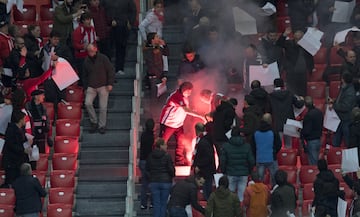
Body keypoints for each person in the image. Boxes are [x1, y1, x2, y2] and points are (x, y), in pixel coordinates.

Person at [159, 81, 205, 166]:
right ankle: (159, 160)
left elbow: (186, 108)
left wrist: (194, 111)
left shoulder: (184, 97)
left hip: (178, 124)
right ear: (184, 89)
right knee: (162, 141)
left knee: (180, 142)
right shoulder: (176, 96)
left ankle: (179, 160)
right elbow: (186, 110)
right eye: (189, 91)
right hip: (168, 123)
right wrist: (200, 116)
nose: (190, 93)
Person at [83, 43, 115, 134]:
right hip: (91, 86)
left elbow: (110, 70)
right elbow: (84, 75)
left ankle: (102, 125)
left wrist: (110, 83)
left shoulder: (103, 58)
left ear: (96, 49)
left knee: (103, 107)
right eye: (89, 51)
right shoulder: (86, 61)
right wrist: (85, 87)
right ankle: (94, 122)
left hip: (103, 85)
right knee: (87, 103)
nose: (90, 53)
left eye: (92, 51)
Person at [220, 126, 255, 202]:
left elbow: (223, 160)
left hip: (230, 173)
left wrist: (223, 171)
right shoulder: (247, 146)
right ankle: (240, 212)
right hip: (243, 173)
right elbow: (251, 161)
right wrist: (249, 171)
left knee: (230, 196)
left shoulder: (226, 146)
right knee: (241, 197)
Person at [277, 27, 314, 96]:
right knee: (291, 93)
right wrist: (284, 34)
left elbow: (310, 57)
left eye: (300, 37)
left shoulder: (307, 45)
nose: (298, 39)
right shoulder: (289, 43)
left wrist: (311, 68)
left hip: (303, 73)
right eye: (297, 37)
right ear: (294, 36)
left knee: (302, 93)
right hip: (291, 73)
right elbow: (279, 44)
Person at [102, 0, 136, 75]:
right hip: (108, 28)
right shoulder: (106, 1)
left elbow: (133, 10)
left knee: (121, 48)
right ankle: (108, 69)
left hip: (122, 27)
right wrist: (110, 21)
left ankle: (119, 68)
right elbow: (102, 11)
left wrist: (130, 22)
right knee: (108, 49)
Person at [269, 78, 304, 148]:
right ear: (283, 84)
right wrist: (302, 100)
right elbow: (299, 105)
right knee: (289, 145)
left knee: (278, 146)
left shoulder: (270, 96)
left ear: (274, 85)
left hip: (277, 122)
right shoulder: (289, 93)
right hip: (289, 122)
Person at [40, 30, 72, 106]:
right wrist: (42, 60)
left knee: (61, 98)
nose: (56, 41)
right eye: (55, 39)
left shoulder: (64, 48)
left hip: (60, 76)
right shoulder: (45, 49)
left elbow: (70, 59)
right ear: (50, 39)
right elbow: (39, 62)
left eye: (58, 39)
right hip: (48, 77)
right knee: (50, 98)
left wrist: (58, 58)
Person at [146, 138, 175, 217]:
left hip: (154, 182)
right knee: (163, 203)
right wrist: (172, 176)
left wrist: (151, 178)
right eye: (165, 145)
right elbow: (171, 169)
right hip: (166, 182)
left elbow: (147, 169)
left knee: (156, 204)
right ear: (161, 146)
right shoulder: (167, 156)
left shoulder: (150, 155)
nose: (167, 146)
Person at [2, 110, 31, 187]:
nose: (25, 120)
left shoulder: (21, 130)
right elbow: (12, 145)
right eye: (24, 119)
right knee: (11, 182)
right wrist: (23, 150)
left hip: (18, 161)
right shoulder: (11, 130)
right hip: (11, 162)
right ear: (20, 120)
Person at [328, 72, 356, 147]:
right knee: (335, 141)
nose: (341, 80)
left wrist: (334, 105)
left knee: (348, 141)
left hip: (346, 120)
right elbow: (340, 100)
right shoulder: (343, 88)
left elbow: (345, 107)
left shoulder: (350, 92)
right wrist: (334, 101)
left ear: (344, 79)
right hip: (339, 119)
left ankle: (350, 157)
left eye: (342, 78)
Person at [254, 113, 281, 185]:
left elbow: (252, 145)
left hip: (260, 158)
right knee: (275, 179)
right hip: (271, 157)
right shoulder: (273, 131)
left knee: (259, 180)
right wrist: (274, 152)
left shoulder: (256, 131)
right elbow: (279, 144)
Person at [192, 122, 216, 200]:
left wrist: (198, 165)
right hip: (207, 169)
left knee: (207, 190)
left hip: (206, 170)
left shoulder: (203, 142)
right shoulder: (206, 139)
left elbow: (207, 157)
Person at [72, 12, 97, 86]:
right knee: (83, 75)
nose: (89, 21)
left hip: (91, 56)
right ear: (83, 21)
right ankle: (83, 91)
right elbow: (75, 44)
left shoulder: (92, 29)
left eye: (90, 19)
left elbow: (94, 42)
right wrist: (84, 47)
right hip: (81, 57)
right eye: (87, 19)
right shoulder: (78, 30)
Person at [25, 89, 51, 155]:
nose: (43, 97)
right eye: (42, 95)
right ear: (36, 97)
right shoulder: (28, 106)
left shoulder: (43, 108)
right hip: (31, 133)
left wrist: (46, 127)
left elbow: (46, 119)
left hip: (41, 132)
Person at [301, 96, 323, 165]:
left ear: (305, 105)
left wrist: (300, 130)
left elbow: (307, 131)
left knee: (313, 164)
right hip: (318, 140)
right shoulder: (319, 112)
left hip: (311, 141)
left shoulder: (308, 115)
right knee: (316, 161)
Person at [139, 118, 155, 209]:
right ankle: (152, 202)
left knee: (144, 184)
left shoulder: (143, 135)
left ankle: (143, 203)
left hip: (142, 160)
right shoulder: (151, 137)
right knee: (152, 182)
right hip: (148, 161)